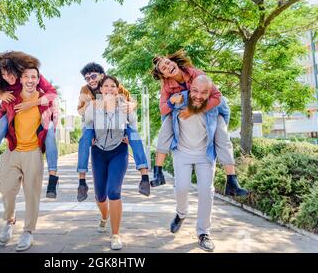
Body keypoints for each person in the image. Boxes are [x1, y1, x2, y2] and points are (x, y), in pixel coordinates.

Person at [0, 51, 61, 198]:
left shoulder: (28, 76)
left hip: (37, 112)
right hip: (13, 117)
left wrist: (30, 104)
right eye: (3, 74)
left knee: (50, 132)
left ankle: (53, 179)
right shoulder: (2, 85)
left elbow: (52, 94)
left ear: (17, 70)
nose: (7, 78)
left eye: (10, 74)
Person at [151, 50, 248, 197]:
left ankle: (232, 181)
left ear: (174, 62)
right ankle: (158, 172)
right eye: (164, 68)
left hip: (207, 105)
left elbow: (217, 97)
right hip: (185, 108)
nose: (168, 66)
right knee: (166, 123)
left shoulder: (196, 73)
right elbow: (162, 110)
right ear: (164, 76)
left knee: (221, 133)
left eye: (168, 62)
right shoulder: (166, 86)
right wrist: (171, 101)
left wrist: (192, 111)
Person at [0, 65, 55, 251]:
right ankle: (9, 220)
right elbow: (0, 121)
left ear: (38, 80)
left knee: (32, 194)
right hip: (12, 151)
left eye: (34, 77)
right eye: (26, 76)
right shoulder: (10, 98)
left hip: (33, 152)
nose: (30, 80)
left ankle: (28, 232)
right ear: (20, 79)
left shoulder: (44, 100)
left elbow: (53, 111)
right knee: (6, 190)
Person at [168, 75, 228, 252]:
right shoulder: (180, 99)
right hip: (182, 152)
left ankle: (203, 232)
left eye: (204, 92)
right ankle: (181, 213)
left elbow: (226, 114)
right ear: (190, 87)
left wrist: (218, 139)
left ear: (210, 93)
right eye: (195, 90)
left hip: (205, 153)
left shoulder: (215, 102)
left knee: (206, 191)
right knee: (181, 187)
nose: (199, 96)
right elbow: (166, 113)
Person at [76, 63, 150, 202]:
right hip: (93, 122)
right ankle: (82, 183)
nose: (91, 80)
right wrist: (94, 104)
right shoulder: (85, 90)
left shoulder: (115, 86)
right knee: (85, 137)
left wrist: (132, 105)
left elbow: (132, 104)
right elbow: (81, 112)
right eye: (87, 78)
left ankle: (144, 177)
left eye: (93, 76)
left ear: (102, 75)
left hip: (117, 124)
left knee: (134, 133)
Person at [84, 75, 142, 250]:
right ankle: (104, 216)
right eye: (106, 86)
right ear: (100, 89)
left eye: (113, 86)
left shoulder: (125, 107)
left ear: (117, 89)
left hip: (119, 150)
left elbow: (134, 126)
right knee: (100, 195)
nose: (109, 89)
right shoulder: (93, 107)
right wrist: (91, 137)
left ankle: (115, 234)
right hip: (98, 152)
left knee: (113, 191)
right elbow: (86, 126)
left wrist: (127, 135)